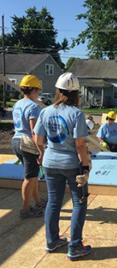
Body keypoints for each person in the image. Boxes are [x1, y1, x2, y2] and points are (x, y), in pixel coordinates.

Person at [34, 72, 92, 261]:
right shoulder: (76, 114)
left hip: (50, 163)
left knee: (53, 202)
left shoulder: (46, 111)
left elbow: (38, 139)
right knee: (79, 203)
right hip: (71, 164)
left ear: (58, 91)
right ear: (76, 93)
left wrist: (42, 155)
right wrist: (85, 167)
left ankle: (52, 242)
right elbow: (80, 145)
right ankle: (75, 246)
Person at [12, 75, 46, 218]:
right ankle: (25, 210)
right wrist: (41, 151)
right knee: (29, 178)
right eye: (38, 90)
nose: (39, 93)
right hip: (27, 144)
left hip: (16, 140)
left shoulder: (17, 104)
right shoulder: (33, 107)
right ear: (33, 90)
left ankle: (38, 201)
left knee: (32, 176)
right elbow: (34, 131)